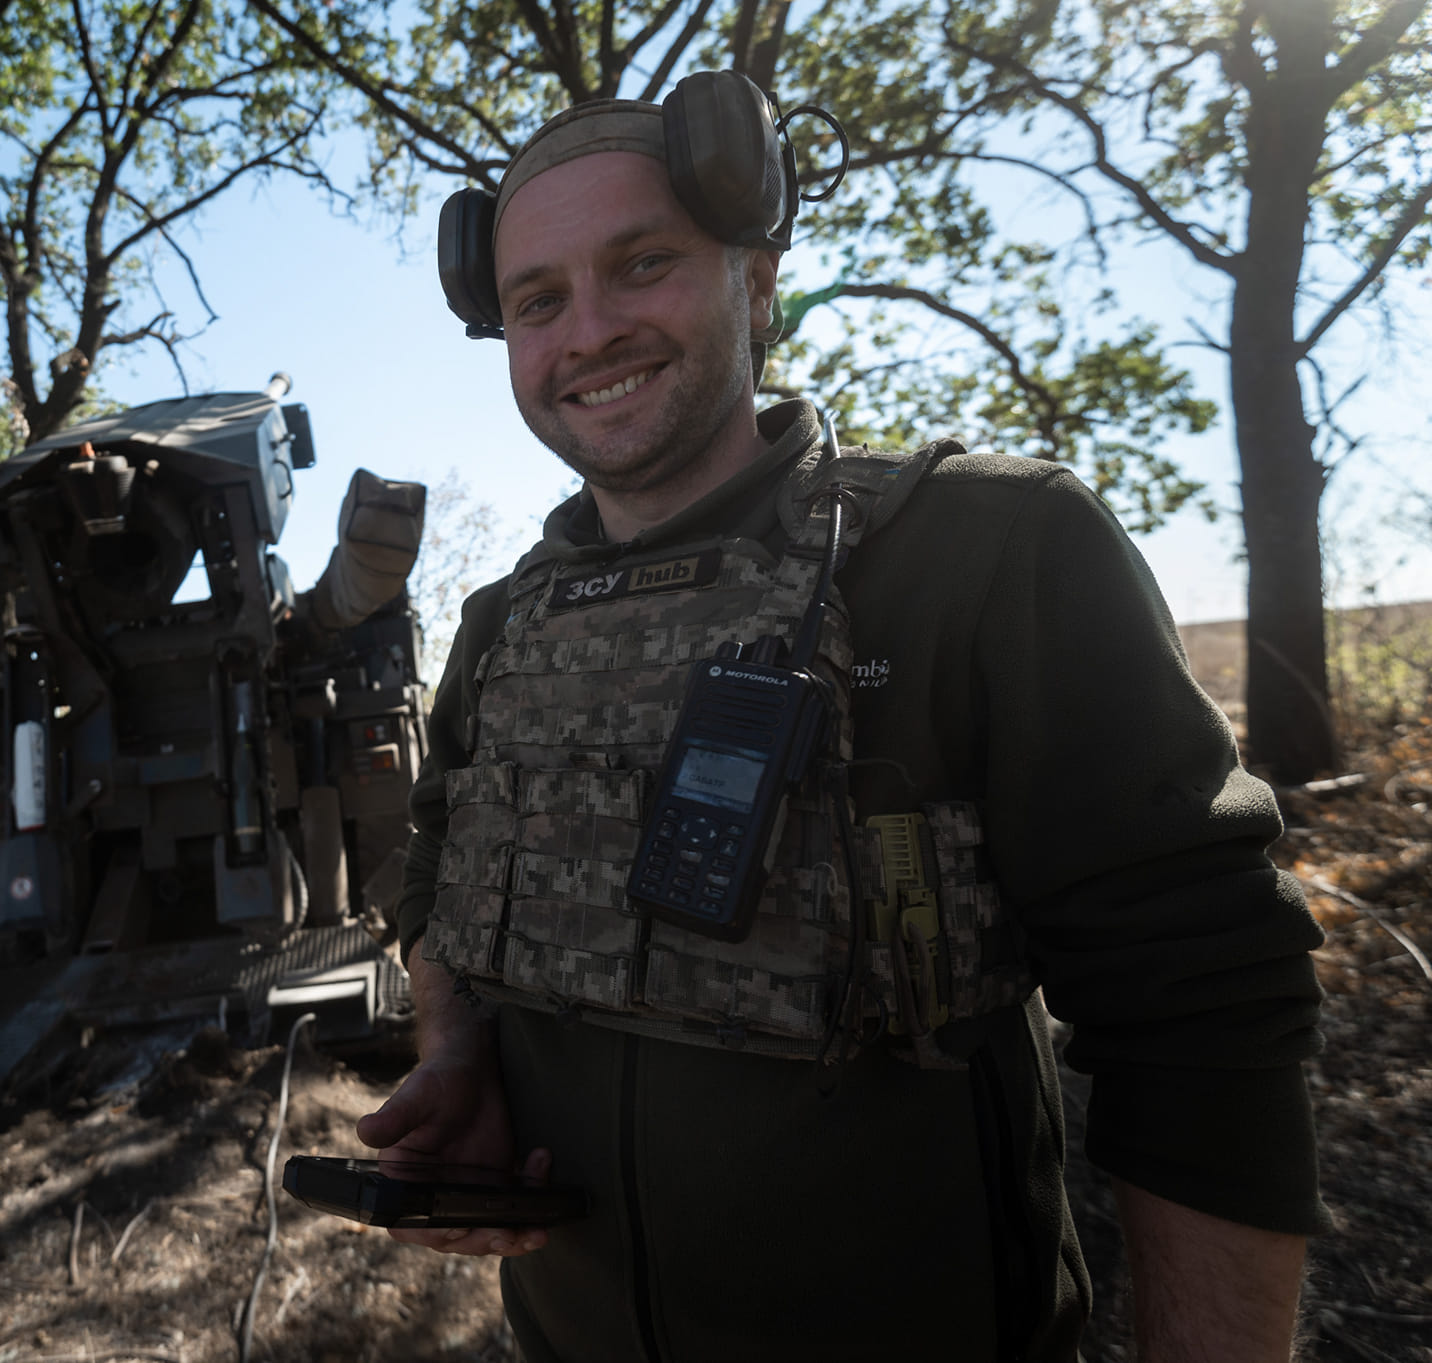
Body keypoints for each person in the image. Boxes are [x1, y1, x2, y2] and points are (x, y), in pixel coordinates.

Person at [361, 75, 1326, 1362]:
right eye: (538, 298)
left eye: (640, 263)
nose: (585, 330)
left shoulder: (986, 552)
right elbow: (434, 867)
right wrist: (459, 1055)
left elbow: (1204, 1012)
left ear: (755, 285)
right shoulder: (499, 623)